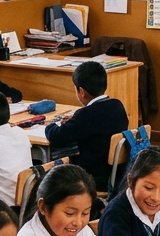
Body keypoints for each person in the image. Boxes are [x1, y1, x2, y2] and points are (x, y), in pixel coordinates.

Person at [44, 61, 129, 193]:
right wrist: (75, 120)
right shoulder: (117, 106)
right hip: (116, 174)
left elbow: (56, 137)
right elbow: (95, 124)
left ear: (81, 91)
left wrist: (51, 124)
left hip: (93, 177)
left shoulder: (86, 115)